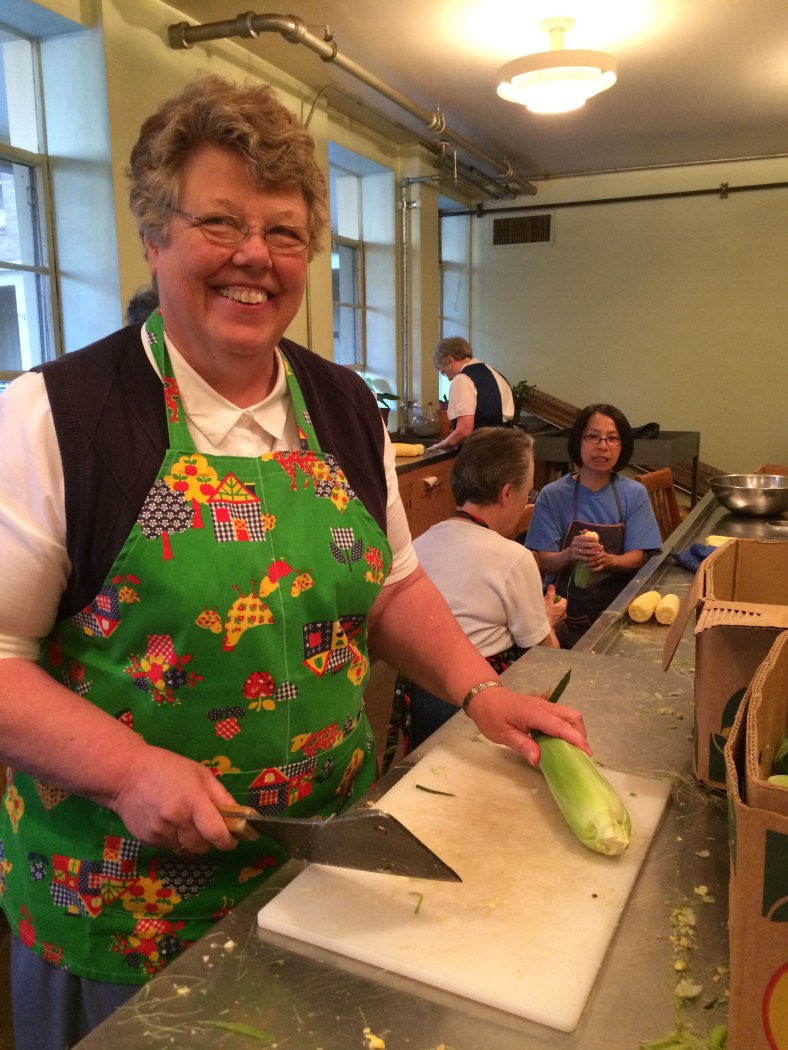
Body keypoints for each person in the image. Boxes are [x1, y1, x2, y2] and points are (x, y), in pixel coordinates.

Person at [0, 74, 590, 1049]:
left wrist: (480, 691)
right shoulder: (53, 420)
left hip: (321, 873)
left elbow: (391, 583)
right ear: (154, 236)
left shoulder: (344, 409)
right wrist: (129, 769)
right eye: (219, 223)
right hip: (117, 912)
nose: (253, 258)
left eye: (282, 231)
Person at [385, 427, 567, 760]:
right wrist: (548, 620)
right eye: (529, 492)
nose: (528, 500)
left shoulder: (418, 544)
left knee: (432, 768)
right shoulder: (514, 557)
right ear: (507, 493)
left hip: (423, 691)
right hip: (479, 697)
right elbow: (546, 653)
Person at [525, 403, 662, 649]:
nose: (602, 446)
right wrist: (570, 554)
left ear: (623, 446)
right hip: (563, 616)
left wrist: (609, 561)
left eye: (612, 439)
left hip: (619, 616)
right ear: (578, 441)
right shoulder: (553, 495)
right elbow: (545, 560)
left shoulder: (634, 494)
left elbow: (638, 557)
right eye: (592, 437)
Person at [429, 335, 515, 450]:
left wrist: (437, 446)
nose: (448, 378)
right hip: (507, 446)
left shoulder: (462, 379)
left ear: (450, 360)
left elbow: (464, 431)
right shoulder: (494, 373)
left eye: (444, 371)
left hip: (483, 450)